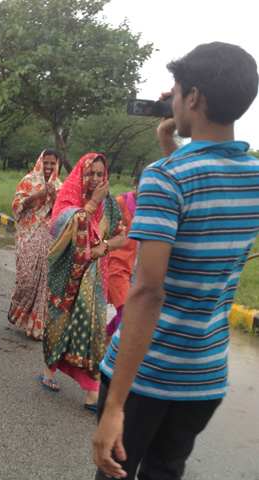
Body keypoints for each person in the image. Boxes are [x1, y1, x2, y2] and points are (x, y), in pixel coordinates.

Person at [93, 42, 259, 480]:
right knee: (167, 472)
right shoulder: (252, 177)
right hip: (204, 377)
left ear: (193, 98)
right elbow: (204, 204)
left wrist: (113, 407)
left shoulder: (165, 178)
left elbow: (148, 292)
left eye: (177, 89)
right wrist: (170, 140)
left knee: (115, 473)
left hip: (147, 375)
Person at [39, 153, 126, 409]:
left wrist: (105, 245)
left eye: (101, 174)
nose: (96, 179)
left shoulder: (109, 205)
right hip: (65, 275)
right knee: (60, 322)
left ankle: (92, 388)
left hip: (95, 277)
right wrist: (91, 203)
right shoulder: (68, 198)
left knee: (93, 328)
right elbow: (65, 228)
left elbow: (122, 236)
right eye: (91, 174)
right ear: (82, 174)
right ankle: (49, 368)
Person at [8, 149, 63, 340]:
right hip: (27, 231)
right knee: (26, 275)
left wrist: (54, 196)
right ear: (40, 161)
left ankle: (36, 326)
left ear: (57, 164)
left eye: (52, 163)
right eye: (45, 162)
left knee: (43, 282)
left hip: (48, 235)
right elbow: (16, 206)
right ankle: (16, 304)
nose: (48, 167)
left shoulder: (59, 186)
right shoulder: (28, 180)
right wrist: (36, 195)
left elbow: (63, 214)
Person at [105, 174, 139, 341]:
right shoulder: (121, 202)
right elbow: (103, 227)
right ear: (136, 183)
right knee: (126, 311)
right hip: (115, 265)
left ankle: (104, 336)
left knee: (132, 311)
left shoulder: (151, 210)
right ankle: (106, 339)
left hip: (134, 269)